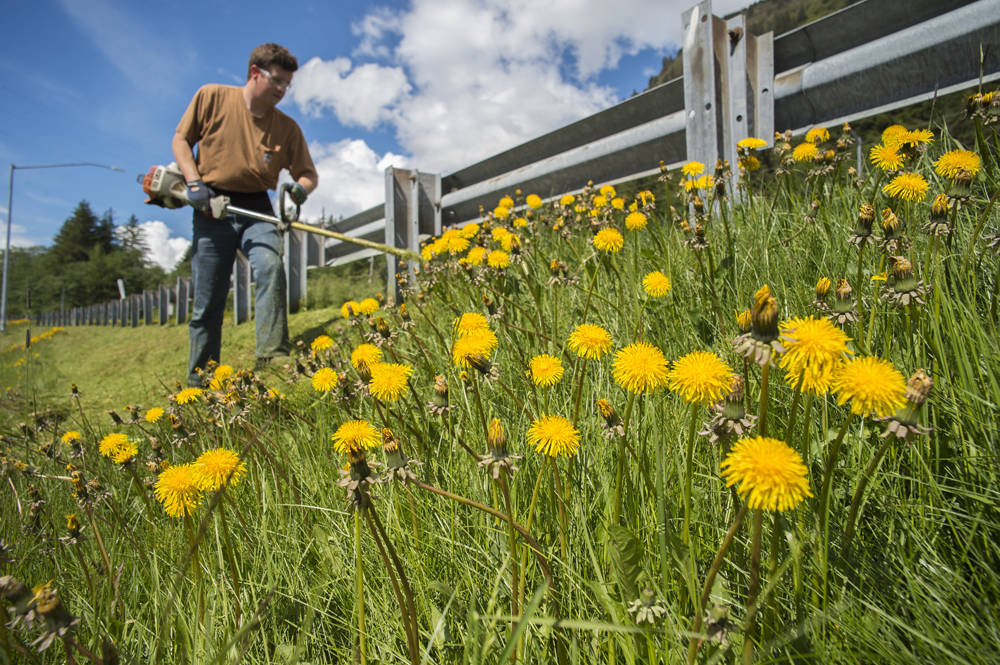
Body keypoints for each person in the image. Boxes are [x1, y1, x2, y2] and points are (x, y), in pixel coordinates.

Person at [172, 43, 318, 387]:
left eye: (287, 84)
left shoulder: (287, 128)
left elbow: (308, 174)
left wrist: (300, 189)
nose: (282, 90)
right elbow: (181, 140)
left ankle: (272, 358)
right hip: (211, 206)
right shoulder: (212, 97)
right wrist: (194, 183)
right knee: (209, 298)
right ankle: (202, 380)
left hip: (257, 209)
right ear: (255, 72)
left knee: (269, 266)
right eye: (277, 81)